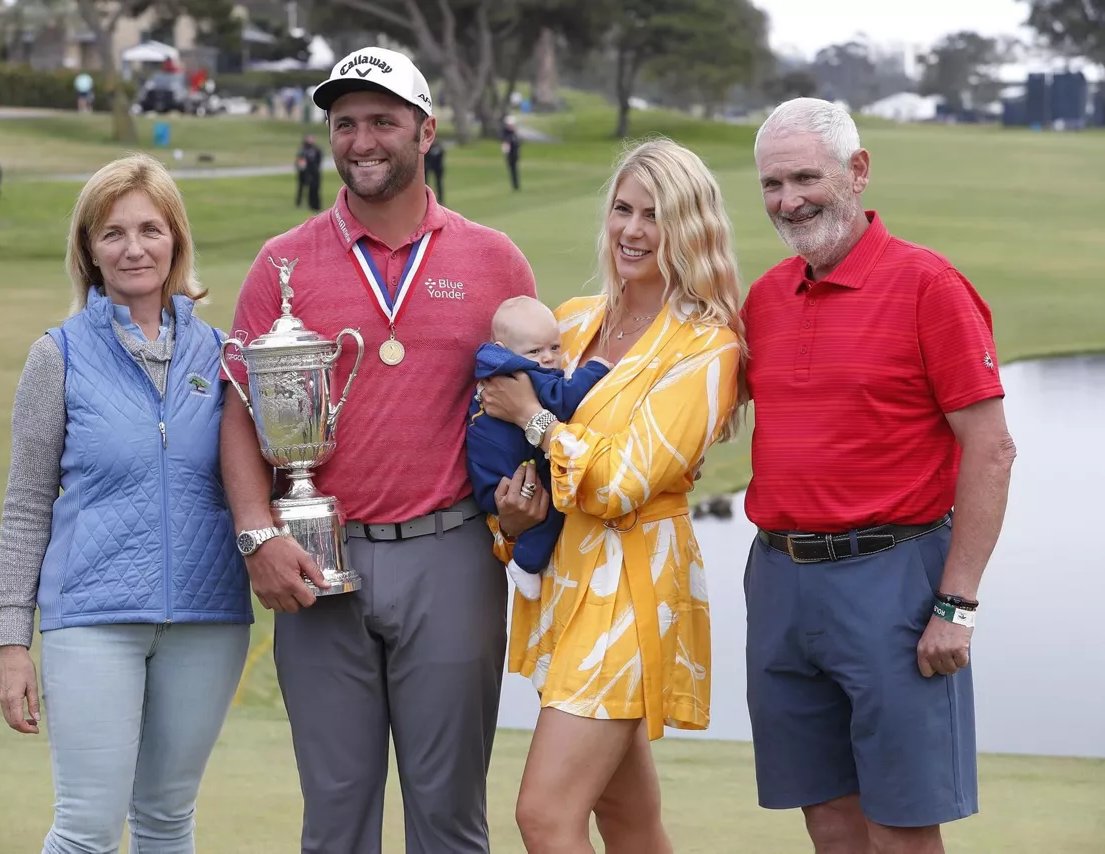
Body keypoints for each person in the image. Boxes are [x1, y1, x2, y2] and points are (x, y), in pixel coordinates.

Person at [220, 46, 537, 854]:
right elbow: (239, 409)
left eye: (383, 122)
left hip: (452, 552)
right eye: (345, 123)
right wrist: (256, 534)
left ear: (425, 132)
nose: (361, 140)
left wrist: (529, 497)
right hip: (318, 556)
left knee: (450, 819)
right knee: (335, 820)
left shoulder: (493, 258)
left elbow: (532, 395)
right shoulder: (282, 262)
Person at [741, 98, 1016, 854]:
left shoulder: (929, 285)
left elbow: (991, 449)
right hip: (780, 581)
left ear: (857, 171)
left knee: (900, 826)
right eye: (772, 184)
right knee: (827, 817)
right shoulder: (765, 297)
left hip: (894, 580)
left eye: (806, 177)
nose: (789, 201)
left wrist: (957, 604)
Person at [480, 137, 744, 853]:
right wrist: (512, 521)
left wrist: (534, 418)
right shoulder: (568, 323)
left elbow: (623, 481)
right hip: (564, 582)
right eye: (623, 209)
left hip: (632, 589)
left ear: (689, 227)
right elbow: (506, 443)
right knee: (627, 818)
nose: (632, 229)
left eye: (654, 215)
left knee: (545, 814)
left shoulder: (707, 348)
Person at [0, 153, 253, 853]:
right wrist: (13, 643)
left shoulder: (223, 355)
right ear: (89, 249)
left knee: (168, 820)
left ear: (176, 240)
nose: (133, 248)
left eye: (149, 229)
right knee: (87, 831)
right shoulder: (57, 355)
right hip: (92, 619)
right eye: (112, 233)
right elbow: (25, 507)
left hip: (208, 619)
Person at [466, 296, 611, 600]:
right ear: (505, 348)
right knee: (558, 498)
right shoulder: (524, 374)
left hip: (487, 473)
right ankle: (526, 562)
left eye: (554, 348)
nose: (547, 359)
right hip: (511, 479)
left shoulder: (493, 368)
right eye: (535, 351)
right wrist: (595, 370)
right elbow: (561, 400)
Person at [294, 133, 323, 211]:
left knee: (315, 188)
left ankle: (315, 205)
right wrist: (302, 169)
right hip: (305, 172)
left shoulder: (316, 149)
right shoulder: (303, 149)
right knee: (302, 187)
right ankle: (300, 202)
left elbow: (319, 160)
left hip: (314, 172)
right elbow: (300, 161)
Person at [501, 115, 521, 191]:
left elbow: (517, 144)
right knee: (512, 169)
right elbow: (505, 146)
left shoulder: (514, 134)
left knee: (515, 170)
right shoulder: (506, 134)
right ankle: (515, 185)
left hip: (515, 153)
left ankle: (516, 185)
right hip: (510, 154)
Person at [424, 135, 445, 204]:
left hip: (438, 168)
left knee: (439, 183)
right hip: (428, 167)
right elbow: (426, 157)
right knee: (425, 183)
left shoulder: (439, 147)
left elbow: (441, 157)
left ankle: (440, 200)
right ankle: (426, 199)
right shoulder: (428, 147)